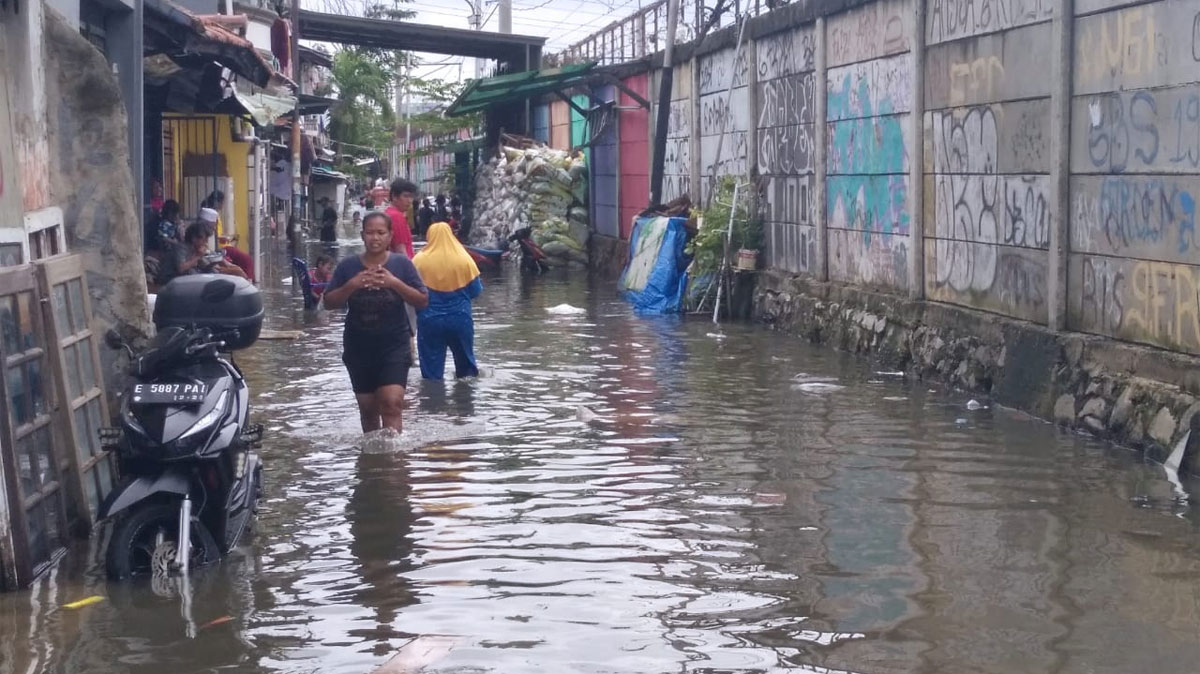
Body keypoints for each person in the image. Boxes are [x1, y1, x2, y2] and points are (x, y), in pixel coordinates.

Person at [322, 211, 428, 433]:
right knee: (369, 411)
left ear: (390, 236)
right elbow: (329, 303)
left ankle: (394, 462)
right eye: (370, 232)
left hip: (394, 345)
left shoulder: (402, 265)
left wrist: (393, 283)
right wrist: (352, 285)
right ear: (362, 235)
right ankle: (372, 464)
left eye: (381, 232)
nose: (375, 238)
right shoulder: (348, 267)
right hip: (358, 347)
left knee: (391, 403)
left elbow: (422, 300)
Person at [412, 222, 481, 380]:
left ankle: (433, 402)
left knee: (431, 374)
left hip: (429, 321)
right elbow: (476, 290)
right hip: (460, 319)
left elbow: (412, 292)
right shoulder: (464, 259)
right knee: (467, 372)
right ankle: (465, 402)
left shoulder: (419, 260)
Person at [179, 222, 248, 279]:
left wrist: (215, 261)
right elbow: (181, 268)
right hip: (191, 279)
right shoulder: (182, 248)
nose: (205, 242)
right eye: (203, 239)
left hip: (204, 274)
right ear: (194, 238)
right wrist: (198, 256)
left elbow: (205, 266)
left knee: (238, 271)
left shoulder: (198, 248)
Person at [386, 178, 416, 258]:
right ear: (394, 196)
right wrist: (410, 269)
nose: (409, 201)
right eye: (405, 196)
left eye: (411, 197)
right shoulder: (397, 217)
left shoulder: (388, 213)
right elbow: (401, 250)